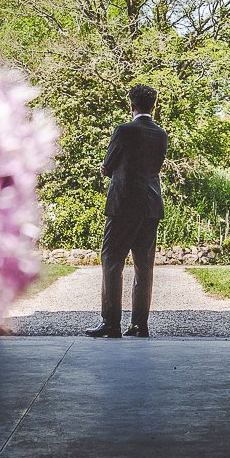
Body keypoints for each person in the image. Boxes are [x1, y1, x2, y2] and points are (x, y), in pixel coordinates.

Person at [85, 84, 168, 338]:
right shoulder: (161, 134)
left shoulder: (123, 131)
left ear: (130, 105)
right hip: (151, 205)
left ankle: (111, 323)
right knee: (144, 267)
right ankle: (139, 325)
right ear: (153, 106)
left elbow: (108, 166)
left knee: (112, 261)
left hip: (123, 205)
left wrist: (106, 167)